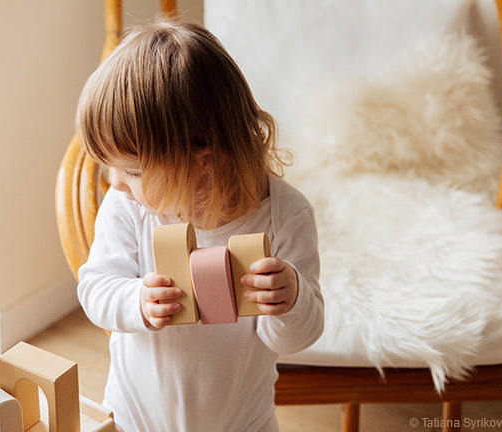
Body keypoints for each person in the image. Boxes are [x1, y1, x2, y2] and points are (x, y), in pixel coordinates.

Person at [75, 19, 324, 432]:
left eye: (133, 171)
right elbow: (95, 288)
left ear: (202, 159)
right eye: (109, 167)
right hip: (136, 418)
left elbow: (296, 339)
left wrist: (291, 298)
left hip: (242, 422)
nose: (114, 182)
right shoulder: (129, 207)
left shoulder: (285, 216)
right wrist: (135, 299)